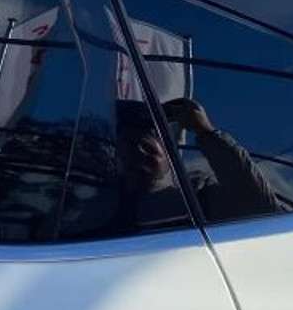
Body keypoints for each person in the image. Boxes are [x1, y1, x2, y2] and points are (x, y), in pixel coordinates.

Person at [116, 97, 282, 229]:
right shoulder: (104, 204)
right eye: (128, 145)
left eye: (147, 147)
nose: (139, 153)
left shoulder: (196, 198)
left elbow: (262, 211)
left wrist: (206, 133)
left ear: (170, 155)